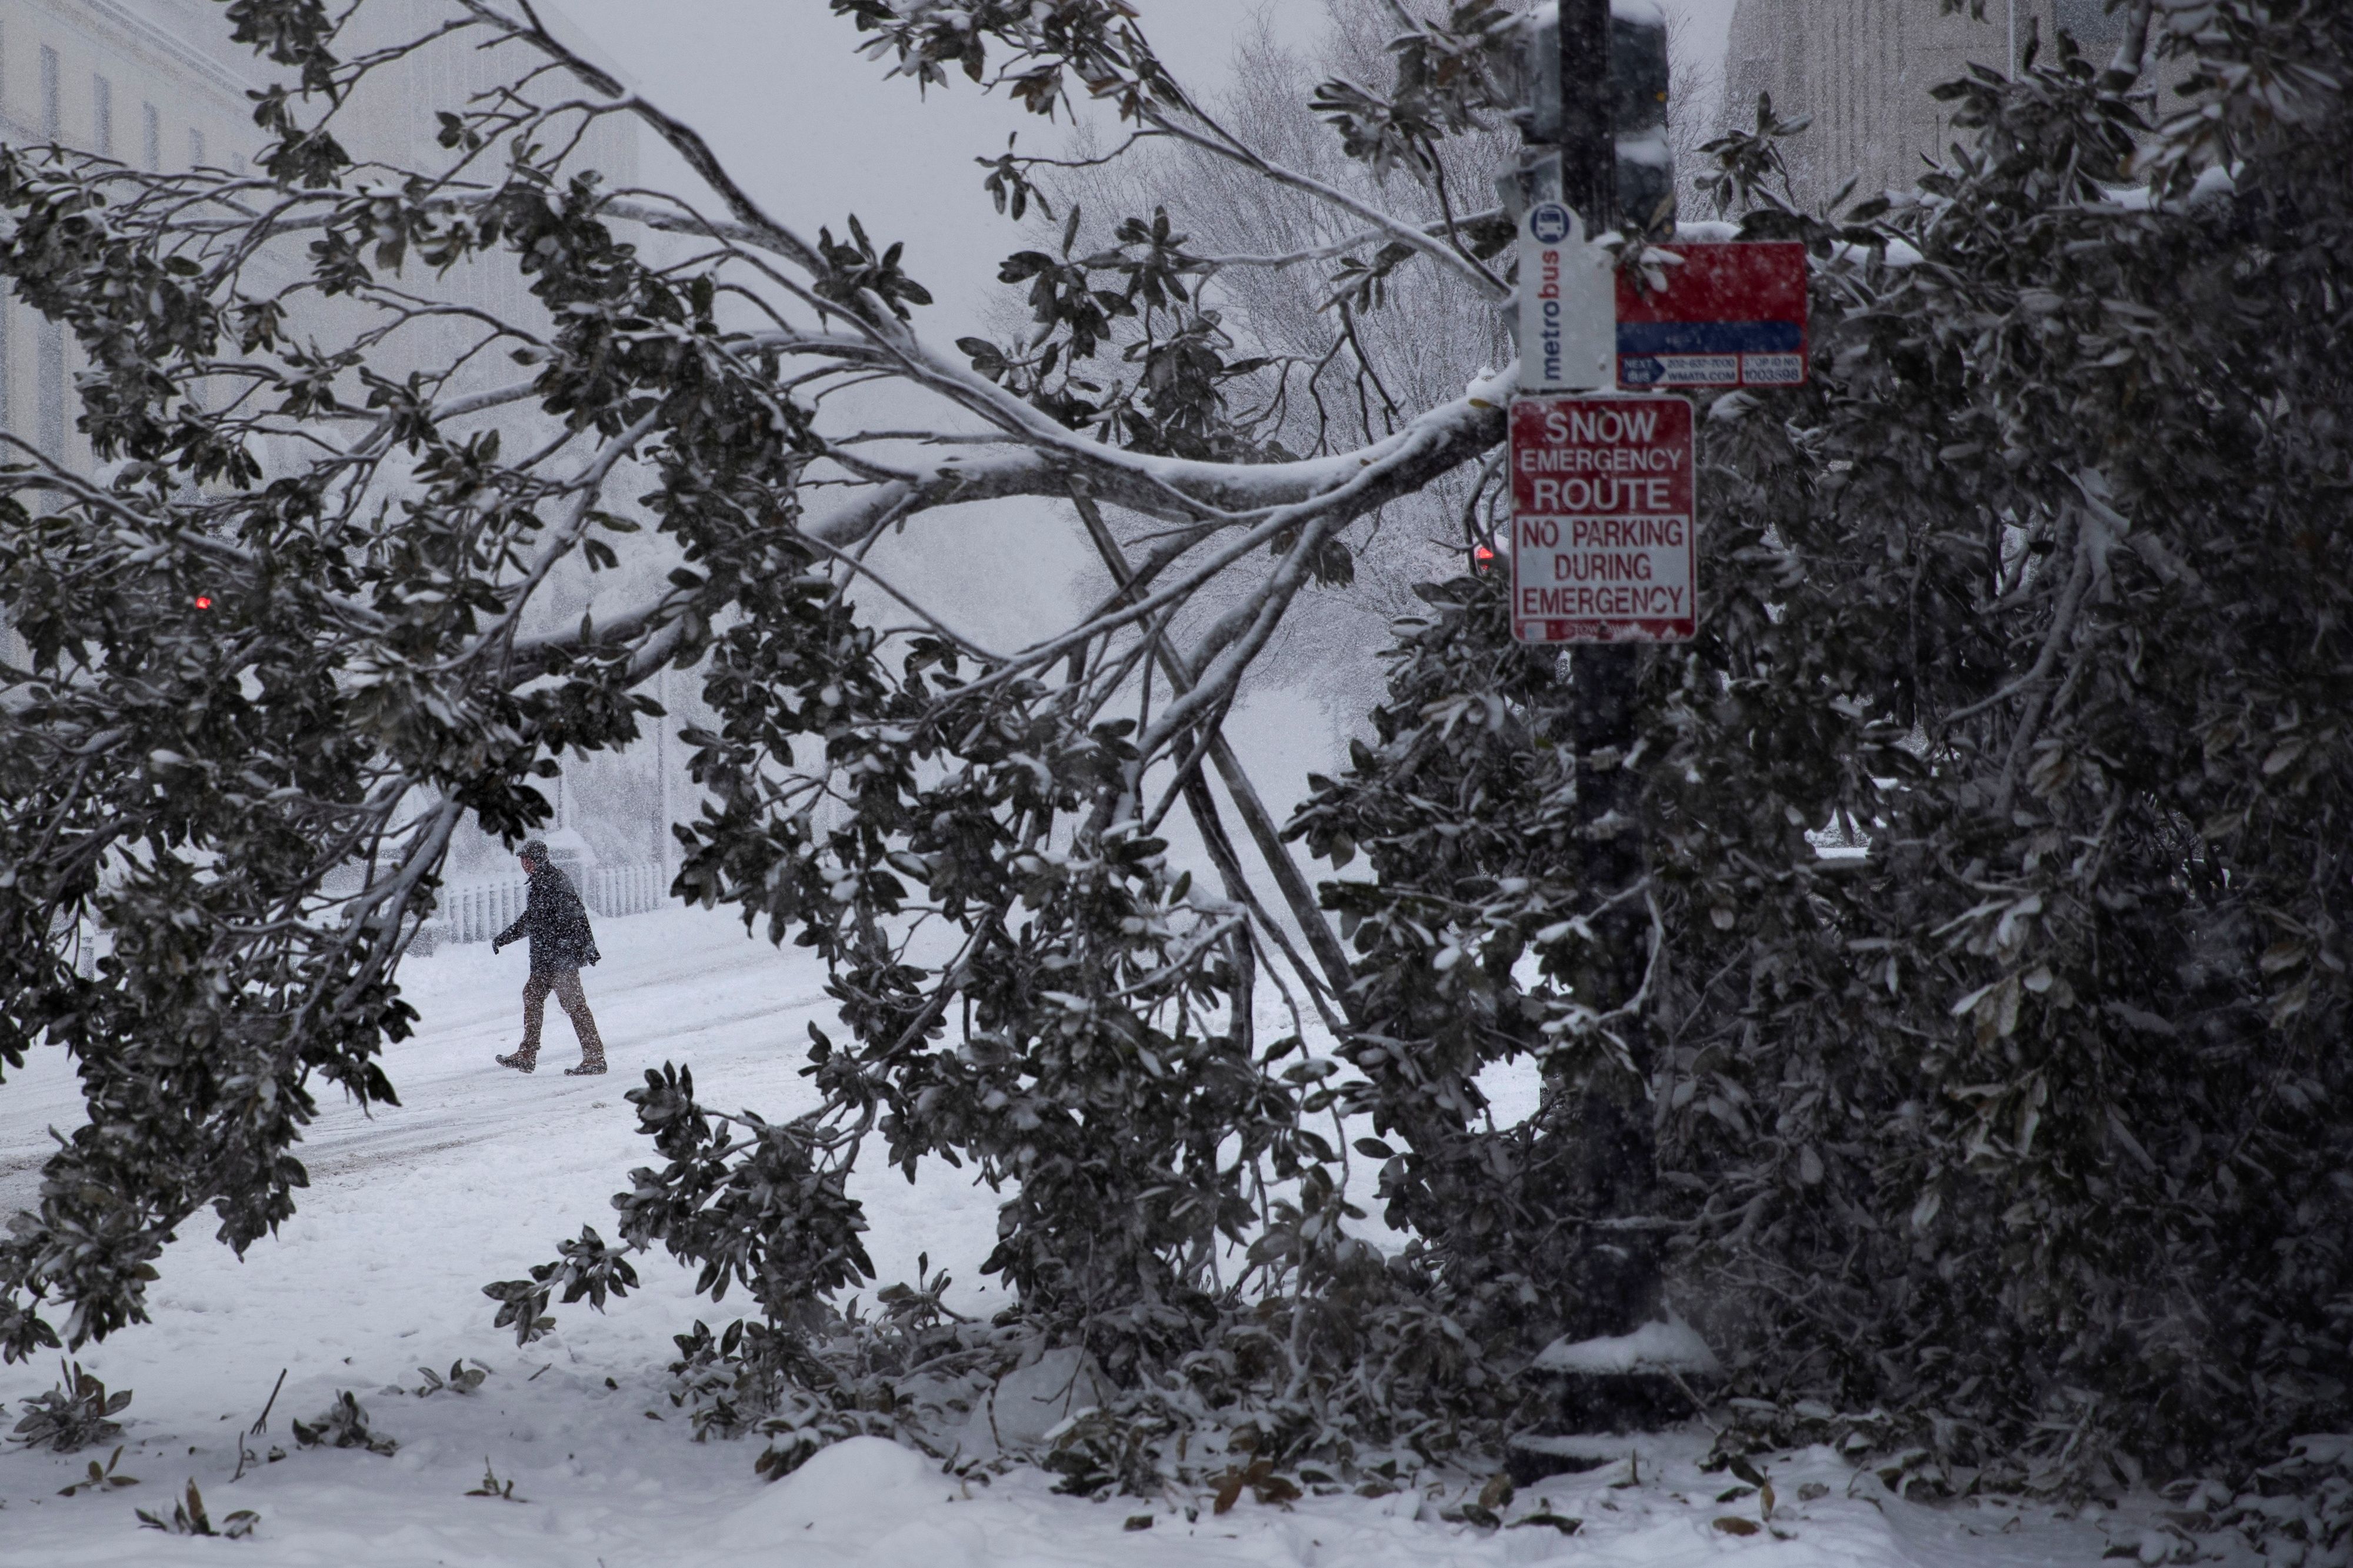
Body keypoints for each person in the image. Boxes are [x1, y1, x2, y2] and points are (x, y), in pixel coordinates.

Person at [491, 839, 606, 1075]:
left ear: (539, 859)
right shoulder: (542, 881)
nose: (524, 864)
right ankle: (527, 1054)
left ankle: (595, 1058)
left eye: (528, 859)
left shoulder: (552, 881)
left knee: (574, 1005)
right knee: (532, 995)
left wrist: (587, 945)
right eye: (523, 860)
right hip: (547, 958)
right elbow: (543, 918)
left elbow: (569, 914)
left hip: (560, 958)